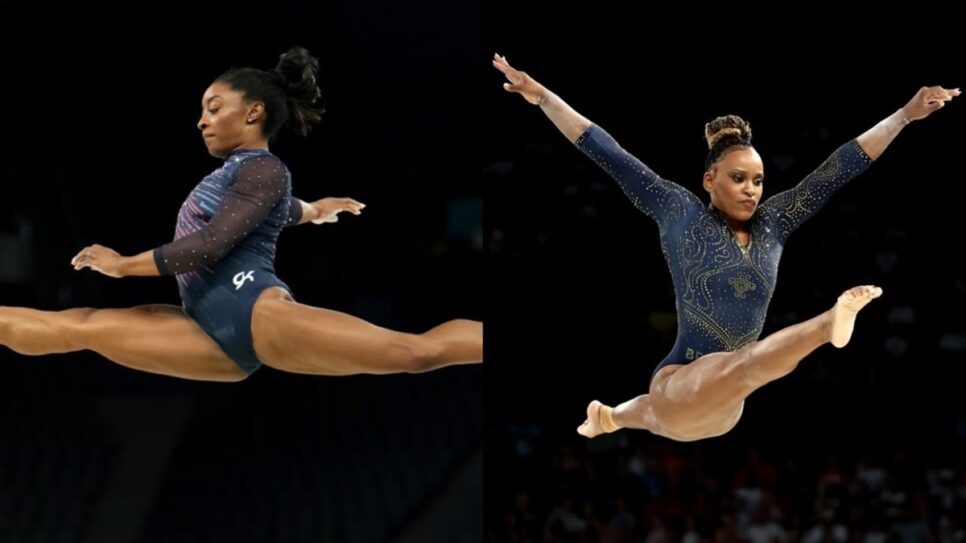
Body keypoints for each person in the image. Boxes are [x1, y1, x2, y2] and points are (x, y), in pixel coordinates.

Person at [493, 52, 957, 441]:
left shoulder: (775, 223)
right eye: (738, 179)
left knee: (686, 399)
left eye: (757, 180)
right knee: (729, 374)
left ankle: (609, 416)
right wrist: (542, 98)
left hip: (725, 409)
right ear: (709, 180)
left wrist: (903, 116)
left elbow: (839, 168)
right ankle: (826, 324)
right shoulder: (680, 212)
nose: (751, 189)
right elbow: (609, 153)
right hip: (681, 378)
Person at [0, 47, 482, 382]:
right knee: (77, 327)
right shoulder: (243, 176)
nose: (201, 120)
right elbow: (267, 212)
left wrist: (123, 265)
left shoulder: (265, 168)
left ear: (252, 113)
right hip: (205, 331)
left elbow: (210, 245)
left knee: (417, 353)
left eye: (213, 107)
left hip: (254, 311)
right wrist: (314, 211)